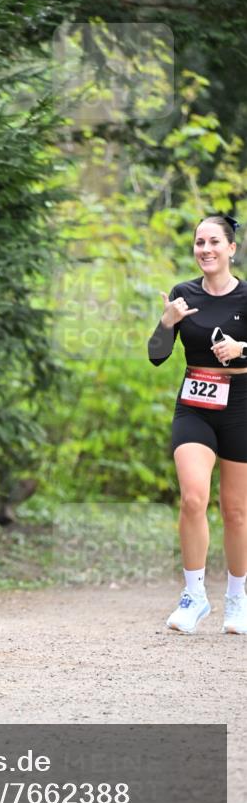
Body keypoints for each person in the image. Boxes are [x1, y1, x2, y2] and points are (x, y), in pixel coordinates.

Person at [148, 213, 247, 635]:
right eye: (198, 243)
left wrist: (243, 348)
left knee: (236, 510)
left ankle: (237, 599)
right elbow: (156, 355)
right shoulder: (182, 294)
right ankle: (193, 596)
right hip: (195, 403)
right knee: (192, 497)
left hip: (241, 404)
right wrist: (167, 321)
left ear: (231, 249)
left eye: (213, 242)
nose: (204, 250)